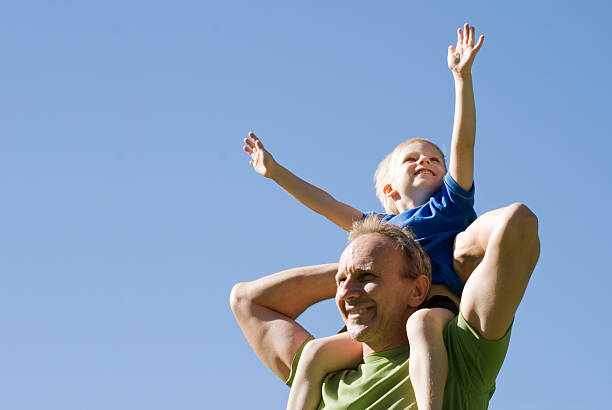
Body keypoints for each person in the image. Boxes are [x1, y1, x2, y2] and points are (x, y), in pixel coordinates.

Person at [242, 23, 484, 410]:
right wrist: (276, 173)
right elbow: (324, 202)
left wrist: (462, 78)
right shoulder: (379, 229)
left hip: (432, 306)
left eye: (434, 159)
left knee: (421, 327)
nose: (427, 160)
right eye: (413, 158)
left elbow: (464, 143)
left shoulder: (450, 206)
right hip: (383, 318)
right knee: (316, 354)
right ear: (389, 190)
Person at [230, 211, 540, 409]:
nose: (346, 293)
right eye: (340, 281)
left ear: (417, 290)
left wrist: (452, 254)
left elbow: (517, 224)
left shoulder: (459, 352)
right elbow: (245, 300)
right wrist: (357, 263)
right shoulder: (326, 374)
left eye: (367, 278)